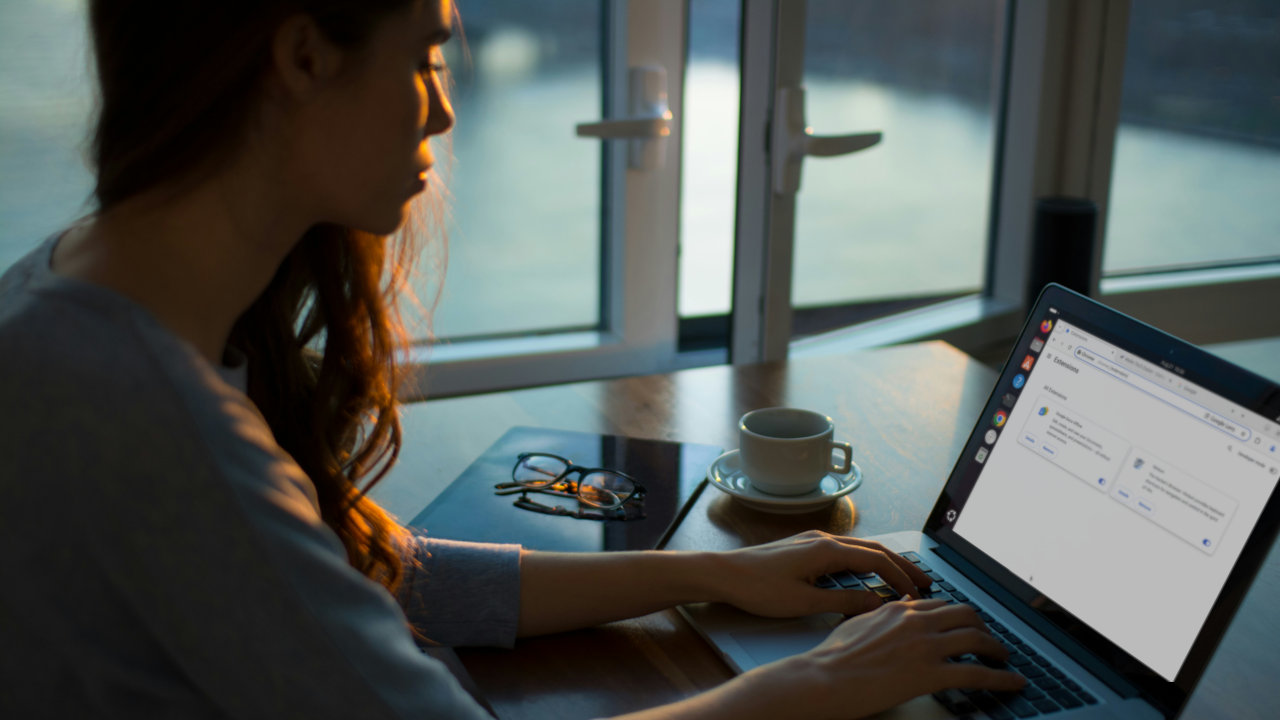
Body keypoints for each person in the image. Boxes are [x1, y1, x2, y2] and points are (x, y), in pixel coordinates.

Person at [0, 1, 1024, 717]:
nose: (442, 108)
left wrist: (720, 573)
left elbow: (378, 577)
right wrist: (809, 688)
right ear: (303, 56)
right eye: (425, 54)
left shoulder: (70, 292)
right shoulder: (155, 425)